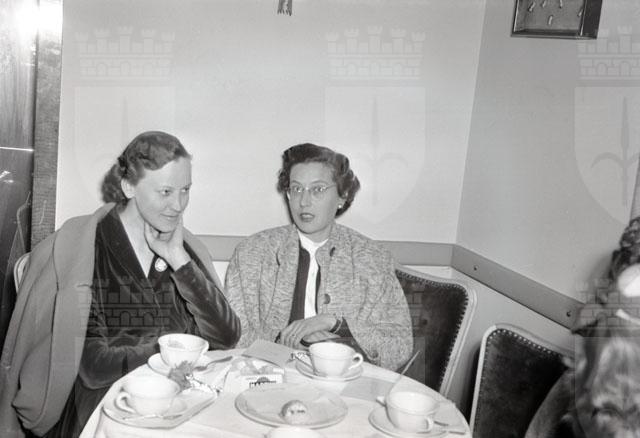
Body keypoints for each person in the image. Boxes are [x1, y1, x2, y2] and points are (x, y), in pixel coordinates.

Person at [0, 131, 240, 438]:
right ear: (129, 186)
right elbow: (92, 366)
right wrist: (171, 353)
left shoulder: (182, 247)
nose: (178, 205)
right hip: (101, 405)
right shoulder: (89, 248)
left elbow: (226, 336)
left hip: (176, 398)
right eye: (165, 192)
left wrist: (180, 261)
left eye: (185, 190)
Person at [224, 143, 412, 371]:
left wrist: (336, 325)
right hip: (271, 379)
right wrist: (282, 347)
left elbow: (399, 348)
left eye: (318, 189)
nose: (304, 201)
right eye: (296, 189)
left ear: (342, 196)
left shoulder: (372, 259)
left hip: (348, 382)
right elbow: (233, 340)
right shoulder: (252, 254)